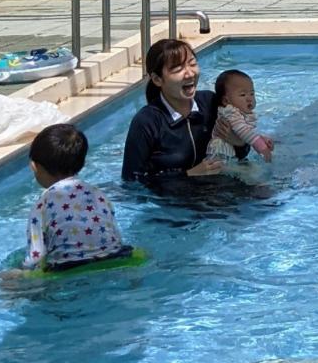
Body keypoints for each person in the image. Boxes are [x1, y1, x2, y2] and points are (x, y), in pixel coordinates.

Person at [121, 38, 245, 183]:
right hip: (177, 200)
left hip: (220, 188)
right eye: (177, 69)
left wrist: (239, 142)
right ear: (157, 79)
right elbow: (132, 179)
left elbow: (240, 155)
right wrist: (188, 174)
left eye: (192, 64)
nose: (190, 73)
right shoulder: (147, 122)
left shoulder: (209, 103)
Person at [23, 123, 129, 271]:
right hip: (114, 259)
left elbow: (36, 257)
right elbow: (114, 237)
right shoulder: (99, 194)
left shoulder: (42, 203)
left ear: (35, 167)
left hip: (66, 268)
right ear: (83, 163)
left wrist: (26, 272)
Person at [208, 69, 274, 164]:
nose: (249, 98)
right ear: (226, 101)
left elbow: (243, 133)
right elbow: (244, 132)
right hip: (220, 156)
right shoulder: (231, 112)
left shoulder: (240, 113)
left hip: (230, 156)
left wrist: (262, 139)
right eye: (243, 95)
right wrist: (262, 148)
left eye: (252, 93)